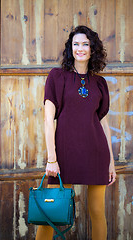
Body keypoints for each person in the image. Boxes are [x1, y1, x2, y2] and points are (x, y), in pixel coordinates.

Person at [35, 25, 116, 240]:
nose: (80, 48)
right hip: (64, 154)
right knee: (51, 214)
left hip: (96, 154)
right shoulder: (57, 76)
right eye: (76, 44)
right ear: (71, 49)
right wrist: (52, 158)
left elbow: (104, 124)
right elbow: (47, 119)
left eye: (85, 44)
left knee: (97, 212)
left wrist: (111, 162)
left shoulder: (100, 83)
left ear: (92, 49)